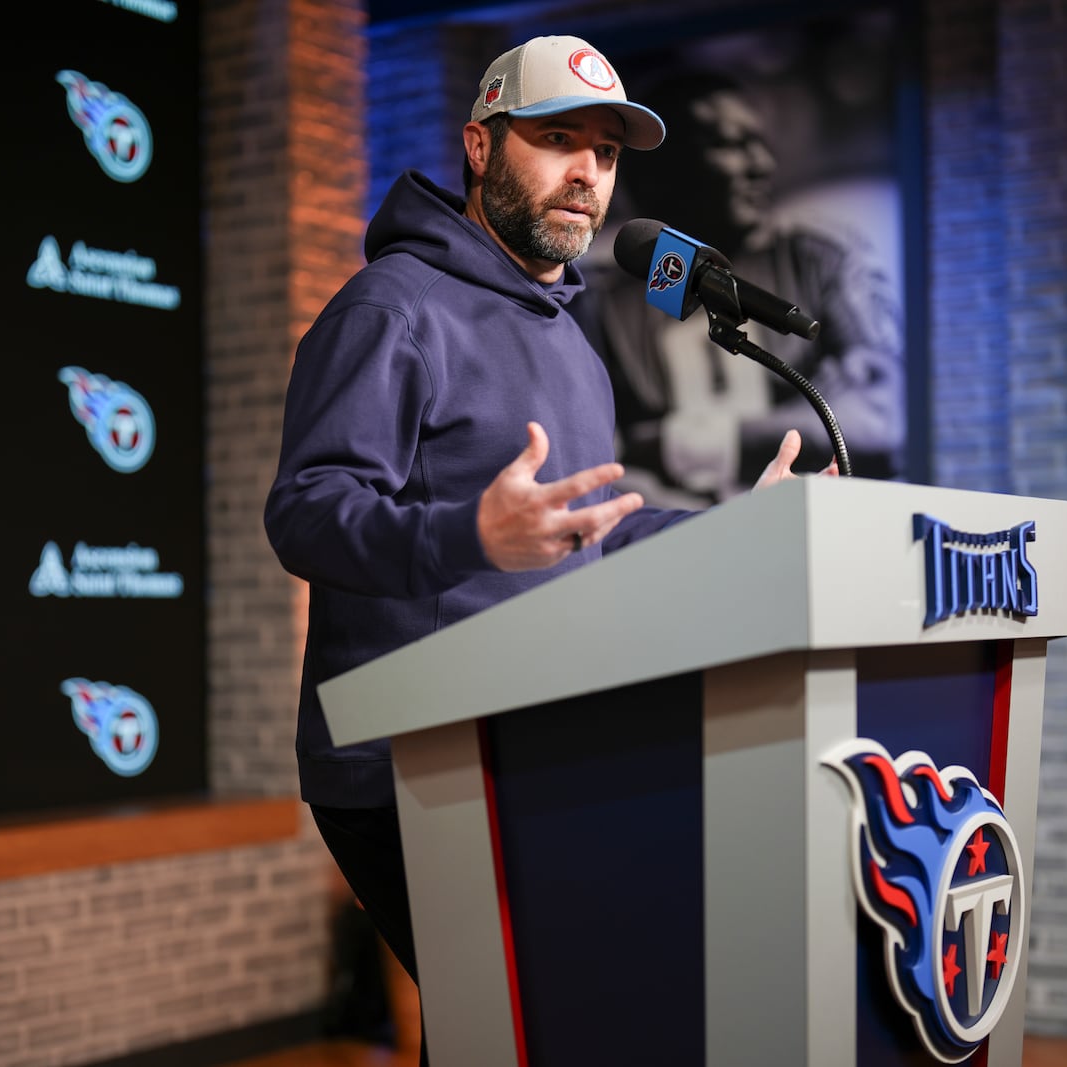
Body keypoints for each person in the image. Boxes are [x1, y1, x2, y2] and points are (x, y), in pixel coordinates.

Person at [263, 35, 819, 1064]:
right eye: (556, 139)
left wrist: (736, 530)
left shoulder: (572, 338)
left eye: (604, 154)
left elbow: (590, 530)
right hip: (404, 760)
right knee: (529, 1011)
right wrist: (469, 534)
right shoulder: (391, 308)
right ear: (480, 146)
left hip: (536, 741)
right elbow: (305, 511)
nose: (586, 175)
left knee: (521, 1024)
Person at [576, 69, 906, 503]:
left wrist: (690, 445)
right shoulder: (602, 299)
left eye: (760, 144)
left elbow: (879, 419)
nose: (761, 166)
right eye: (731, 145)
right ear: (660, 173)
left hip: (803, 524)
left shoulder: (821, 261)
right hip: (673, 548)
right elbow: (588, 460)